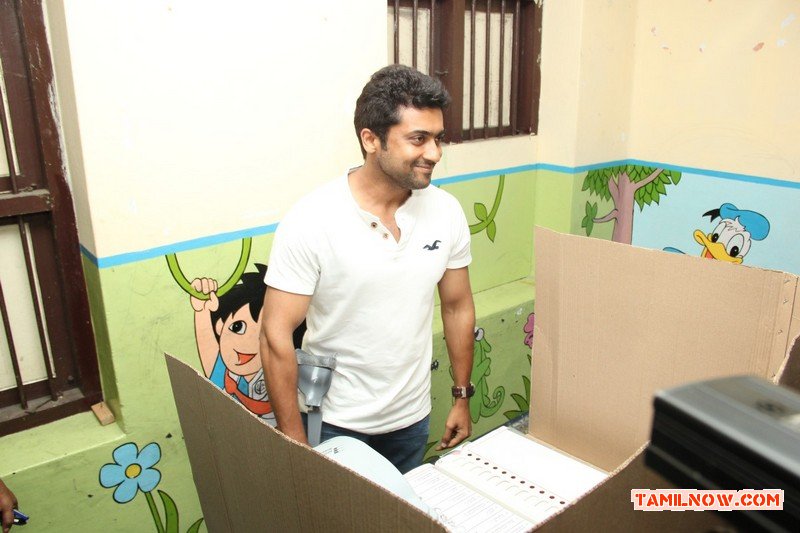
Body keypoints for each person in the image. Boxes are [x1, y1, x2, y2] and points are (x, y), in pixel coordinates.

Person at [259, 64, 475, 474]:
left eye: (437, 138)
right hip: (335, 423)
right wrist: (294, 441)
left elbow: (458, 306)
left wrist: (461, 396)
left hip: (412, 420)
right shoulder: (312, 219)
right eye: (418, 139)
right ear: (371, 139)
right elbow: (274, 334)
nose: (434, 153)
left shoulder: (446, 212)